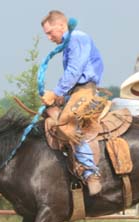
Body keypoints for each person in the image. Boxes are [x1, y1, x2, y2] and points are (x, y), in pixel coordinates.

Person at [40, 10, 105, 195]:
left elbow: (75, 70)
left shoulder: (77, 38)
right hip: (77, 90)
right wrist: (60, 96)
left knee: (65, 123)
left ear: (61, 25)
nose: (49, 37)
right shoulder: (70, 43)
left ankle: (91, 173)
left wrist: (55, 93)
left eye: (50, 32)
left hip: (85, 90)